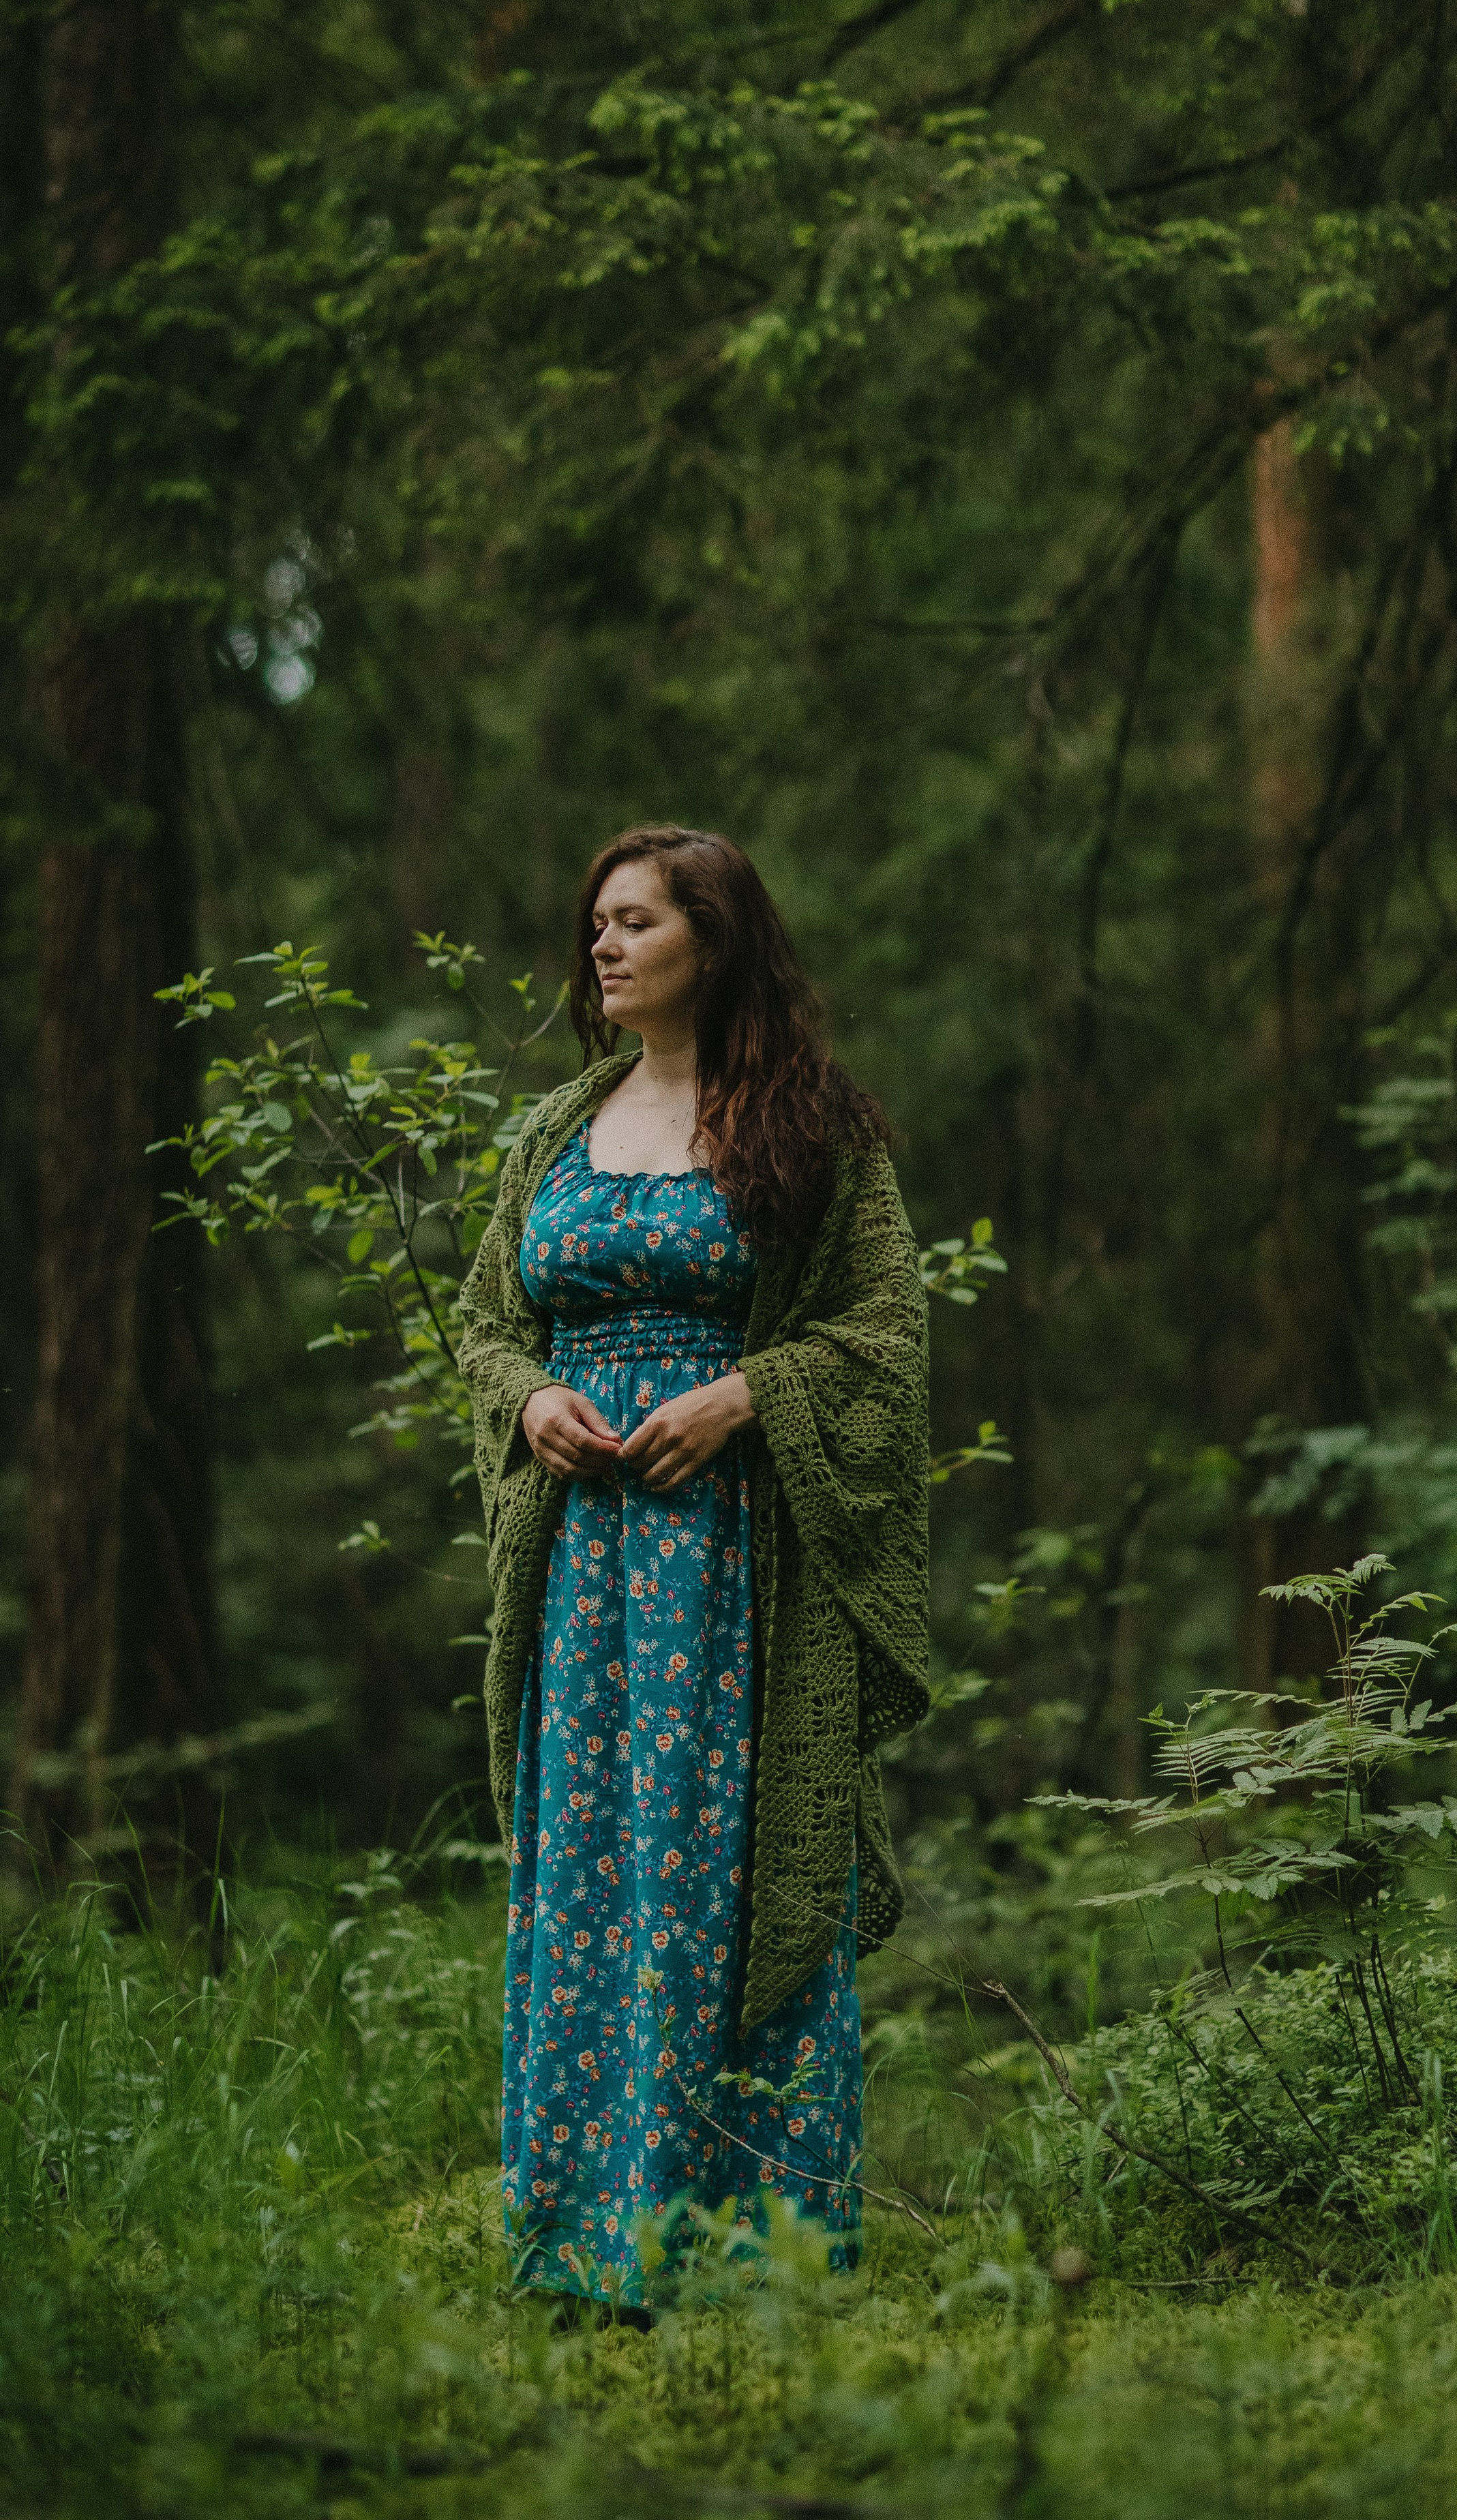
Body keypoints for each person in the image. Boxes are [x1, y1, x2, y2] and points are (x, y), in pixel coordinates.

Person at [457, 825, 930, 2314]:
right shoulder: (553, 1131)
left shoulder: (812, 1134)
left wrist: (747, 1395)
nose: (599, 945)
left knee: (733, 1880)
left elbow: (886, 1338)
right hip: (584, 1581)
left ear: (711, 943)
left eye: (634, 922)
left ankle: (751, 2258)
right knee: (593, 1881)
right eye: (593, 922)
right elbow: (483, 1326)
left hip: (741, 1579)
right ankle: (587, 2246)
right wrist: (528, 1399)